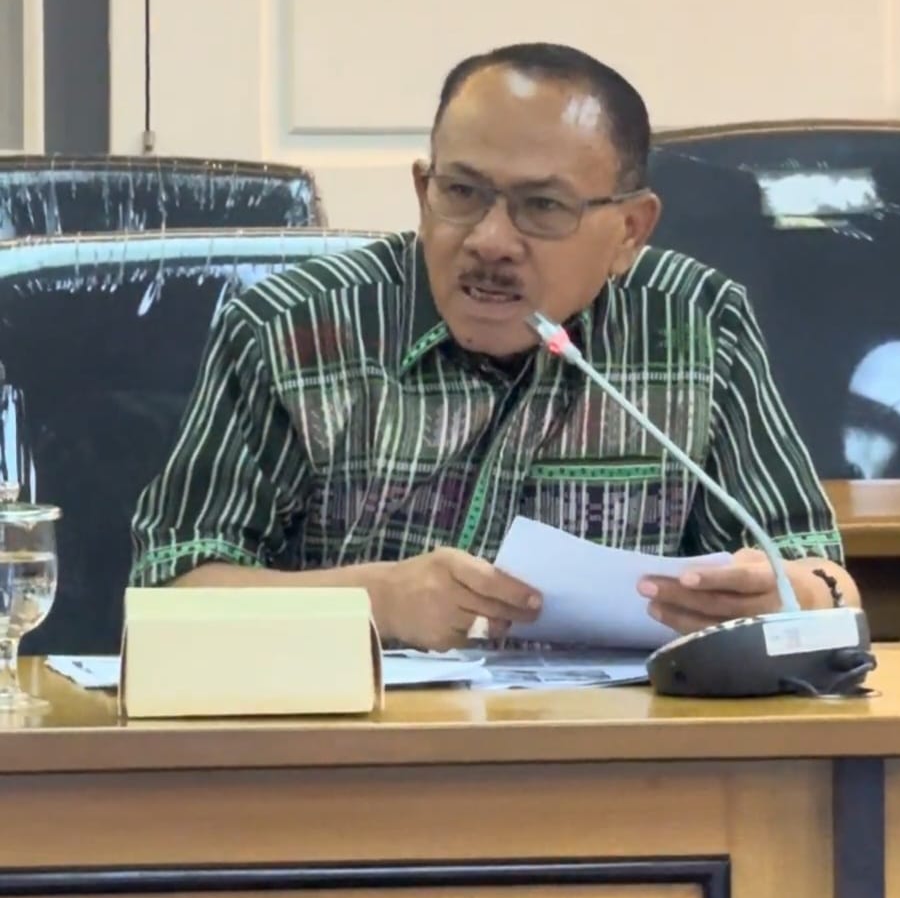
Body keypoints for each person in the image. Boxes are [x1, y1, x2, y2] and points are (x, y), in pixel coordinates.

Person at [131, 43, 858, 649]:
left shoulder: (696, 324)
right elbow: (168, 596)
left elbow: (825, 579)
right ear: (423, 191)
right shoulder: (291, 329)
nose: (489, 240)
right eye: (462, 193)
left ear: (630, 230)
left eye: (542, 206)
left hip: (615, 754)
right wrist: (376, 600)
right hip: (353, 757)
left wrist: (789, 595)